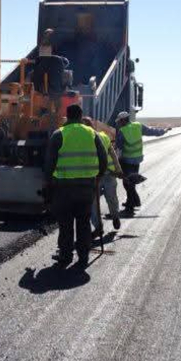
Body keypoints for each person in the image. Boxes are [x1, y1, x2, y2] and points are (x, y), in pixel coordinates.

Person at [45, 104, 108, 268]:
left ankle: (65, 256)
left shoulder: (59, 134)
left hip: (63, 189)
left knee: (65, 224)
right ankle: (83, 255)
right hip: (86, 188)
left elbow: (49, 165)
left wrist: (48, 186)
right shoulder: (92, 134)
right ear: (81, 116)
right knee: (83, 222)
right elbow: (104, 160)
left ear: (67, 115)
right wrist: (98, 177)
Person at [114, 112, 170, 213]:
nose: (118, 124)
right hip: (137, 160)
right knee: (132, 182)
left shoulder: (122, 131)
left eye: (119, 121)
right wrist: (164, 131)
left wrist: (116, 162)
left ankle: (131, 205)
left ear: (123, 120)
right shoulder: (138, 126)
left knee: (128, 183)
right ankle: (132, 201)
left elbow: (119, 149)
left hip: (127, 161)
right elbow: (152, 131)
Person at [82, 117, 123, 237]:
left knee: (110, 198)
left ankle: (115, 216)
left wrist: (118, 170)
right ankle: (98, 227)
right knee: (94, 204)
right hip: (95, 177)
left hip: (107, 174)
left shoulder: (103, 137)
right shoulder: (86, 139)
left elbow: (113, 154)